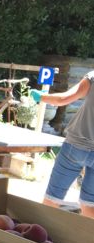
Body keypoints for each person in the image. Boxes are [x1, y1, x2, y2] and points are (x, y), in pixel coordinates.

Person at [31, 76, 94, 218]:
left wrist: (40, 96)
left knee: (52, 198)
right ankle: (87, 238)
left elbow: (63, 99)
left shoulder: (93, 77)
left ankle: (39, 236)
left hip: (75, 147)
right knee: (90, 204)